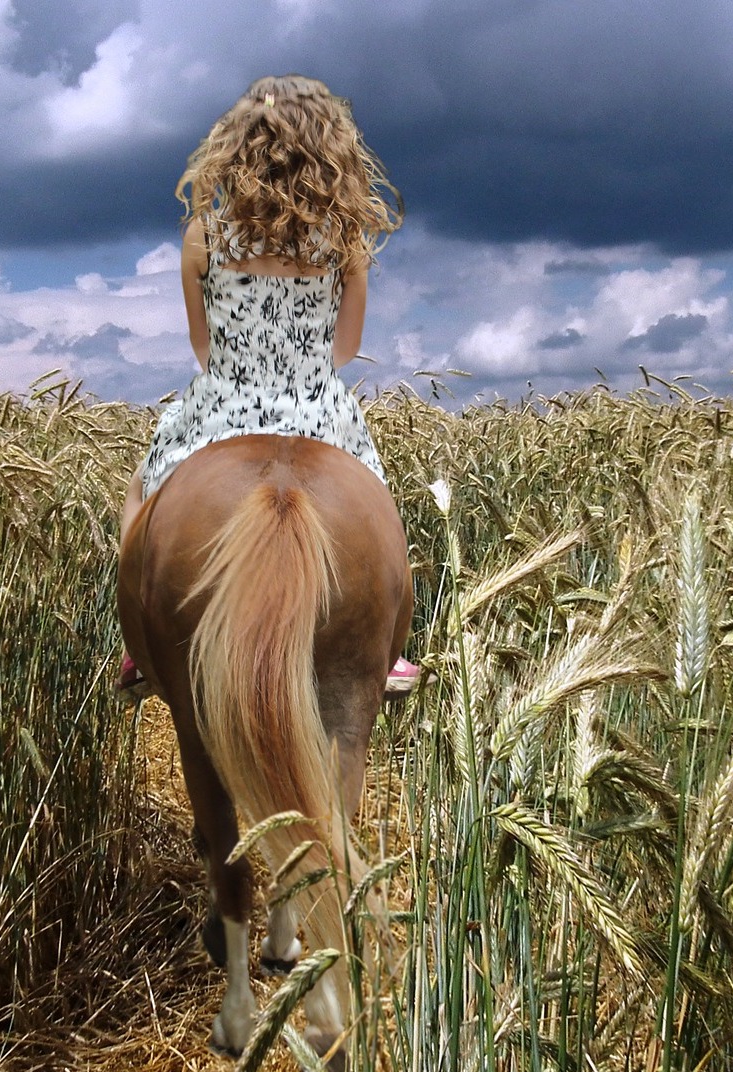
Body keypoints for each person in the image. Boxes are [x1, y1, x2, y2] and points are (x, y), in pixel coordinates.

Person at [117, 73, 419, 702]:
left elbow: (202, 346)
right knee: (380, 509)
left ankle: (137, 647)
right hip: (318, 406)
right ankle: (386, 649)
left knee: (142, 493)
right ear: (330, 152)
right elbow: (347, 348)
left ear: (236, 150)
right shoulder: (343, 242)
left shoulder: (206, 237)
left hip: (223, 403)